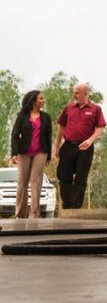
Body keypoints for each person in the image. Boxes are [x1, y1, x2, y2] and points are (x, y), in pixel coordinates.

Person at [54, 82, 106, 209]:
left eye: (77, 92)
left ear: (85, 93)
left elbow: (100, 127)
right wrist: (56, 147)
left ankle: (76, 206)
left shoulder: (95, 109)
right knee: (63, 176)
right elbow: (61, 127)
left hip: (85, 148)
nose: (74, 94)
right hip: (68, 146)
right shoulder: (69, 108)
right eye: (74, 92)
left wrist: (90, 140)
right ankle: (67, 205)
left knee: (81, 178)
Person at [9, 90, 53, 219]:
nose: (43, 100)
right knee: (22, 182)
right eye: (41, 98)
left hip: (40, 152)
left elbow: (48, 137)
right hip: (24, 152)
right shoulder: (22, 116)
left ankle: (34, 214)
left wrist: (48, 155)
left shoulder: (46, 117)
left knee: (36, 182)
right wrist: (14, 153)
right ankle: (20, 214)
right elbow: (15, 135)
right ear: (33, 100)